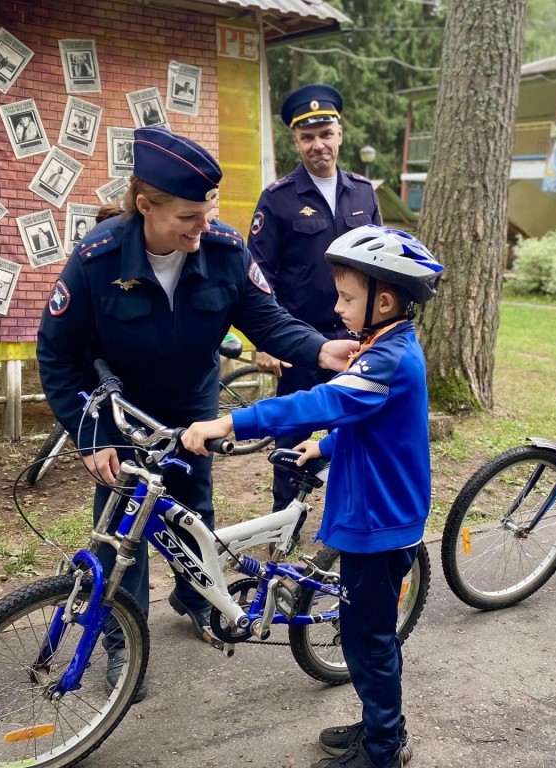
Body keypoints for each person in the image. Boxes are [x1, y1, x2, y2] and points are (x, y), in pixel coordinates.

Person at [36, 127, 358, 703]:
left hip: (190, 407)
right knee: (123, 532)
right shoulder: (96, 260)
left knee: (193, 512)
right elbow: (58, 356)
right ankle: (121, 645)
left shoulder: (224, 250)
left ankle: (196, 600)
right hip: (122, 411)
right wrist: (92, 436)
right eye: (189, 215)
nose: (203, 225)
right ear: (146, 206)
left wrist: (318, 347)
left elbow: (265, 318)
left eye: (208, 209)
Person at [182, 225, 444, 768]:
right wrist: (324, 448)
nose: (337, 305)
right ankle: (379, 726)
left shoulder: (388, 359)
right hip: (373, 512)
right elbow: (369, 422)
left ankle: (383, 749)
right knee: (363, 637)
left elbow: (321, 401)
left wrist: (231, 420)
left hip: (380, 523)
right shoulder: (386, 347)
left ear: (386, 300)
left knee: (368, 643)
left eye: (348, 297)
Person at [248, 83, 381, 519]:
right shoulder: (278, 198)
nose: (318, 144)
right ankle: (284, 522)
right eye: (307, 137)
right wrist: (267, 341)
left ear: (340, 134)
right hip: (300, 340)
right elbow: (257, 273)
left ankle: (348, 518)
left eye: (325, 133)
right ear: (296, 141)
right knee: (292, 435)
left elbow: (380, 264)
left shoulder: (364, 192)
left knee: (357, 431)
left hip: (359, 339)